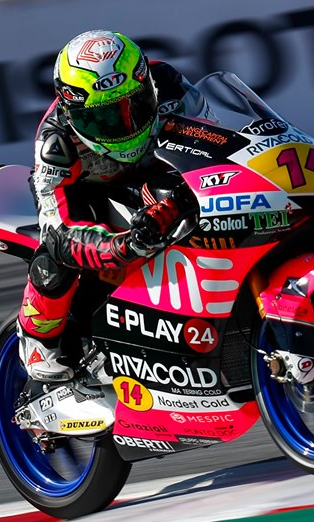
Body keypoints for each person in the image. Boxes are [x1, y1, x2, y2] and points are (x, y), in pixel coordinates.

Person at [18, 29, 213, 382]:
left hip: (157, 178)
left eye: (134, 106)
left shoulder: (168, 84)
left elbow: (217, 138)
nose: (124, 125)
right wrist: (124, 245)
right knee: (54, 254)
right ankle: (38, 340)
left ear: (148, 88)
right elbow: (60, 229)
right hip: (91, 199)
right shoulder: (56, 142)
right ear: (73, 113)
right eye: (104, 118)